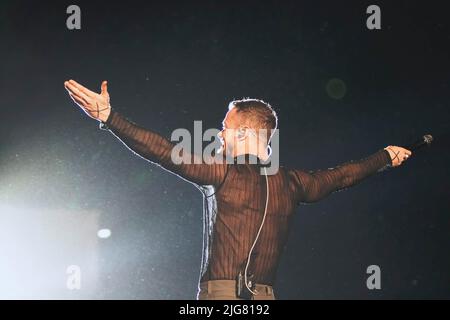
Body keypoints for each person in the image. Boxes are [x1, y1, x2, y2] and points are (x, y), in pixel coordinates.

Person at [64, 79, 412, 300]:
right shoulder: (292, 182)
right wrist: (385, 156)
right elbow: (342, 176)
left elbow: (163, 151)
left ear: (245, 134)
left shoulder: (226, 172)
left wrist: (110, 118)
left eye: (225, 128)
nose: (219, 135)